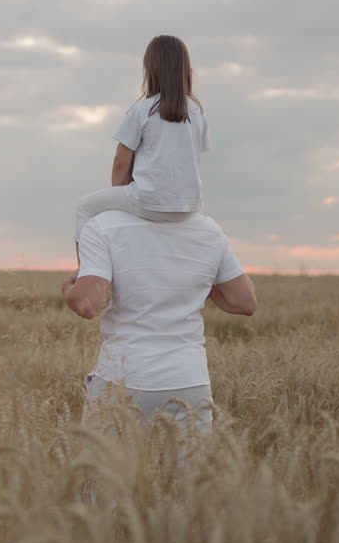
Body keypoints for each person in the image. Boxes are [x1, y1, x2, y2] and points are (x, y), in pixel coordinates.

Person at [61, 210, 256, 433]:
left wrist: (68, 289)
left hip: (121, 379)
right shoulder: (208, 229)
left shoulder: (104, 224)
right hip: (189, 381)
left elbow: (88, 304)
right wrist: (192, 278)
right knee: (189, 469)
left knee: (106, 467)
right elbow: (244, 301)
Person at [74, 35, 210, 246]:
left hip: (150, 201)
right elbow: (187, 156)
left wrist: (117, 193)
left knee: (86, 207)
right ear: (185, 68)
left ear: (150, 68)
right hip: (190, 205)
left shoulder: (142, 110)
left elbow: (121, 161)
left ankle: (87, 272)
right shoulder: (198, 111)